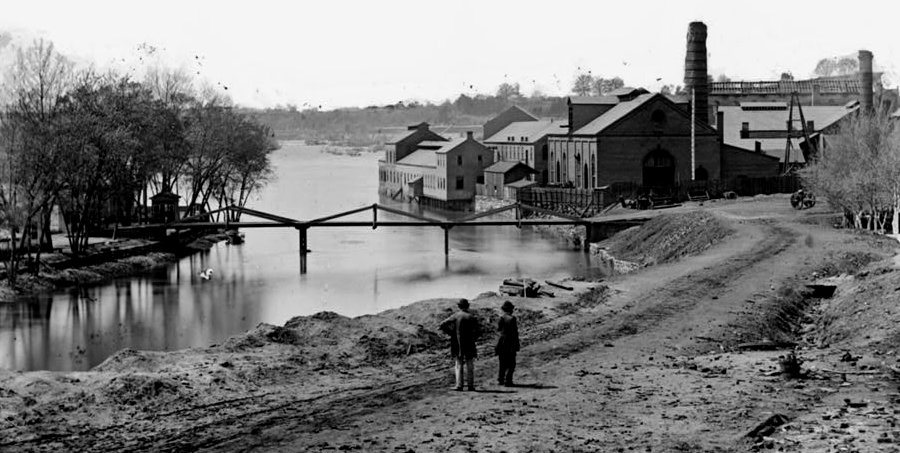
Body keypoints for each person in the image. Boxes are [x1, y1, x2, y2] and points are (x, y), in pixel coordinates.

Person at [439, 298, 481, 391]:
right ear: (468, 306)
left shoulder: (455, 316)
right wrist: (473, 338)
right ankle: (471, 385)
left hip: (457, 343)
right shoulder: (472, 317)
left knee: (458, 363)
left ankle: (459, 385)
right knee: (470, 363)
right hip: (470, 343)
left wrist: (451, 333)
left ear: (459, 306)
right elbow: (478, 331)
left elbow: (442, 325)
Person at [495, 300, 520, 386]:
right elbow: (515, 333)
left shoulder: (501, 318)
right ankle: (508, 380)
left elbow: (498, 329)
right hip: (510, 342)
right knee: (511, 363)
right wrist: (517, 345)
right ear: (511, 309)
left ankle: (500, 379)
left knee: (502, 361)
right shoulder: (512, 319)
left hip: (501, 342)